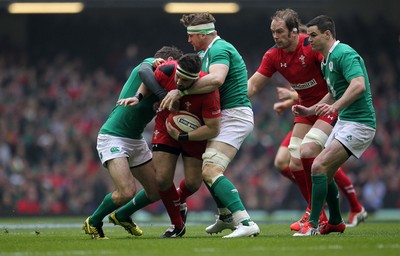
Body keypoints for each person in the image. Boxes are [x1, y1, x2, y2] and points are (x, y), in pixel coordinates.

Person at [247, 8, 367, 232]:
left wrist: (301, 99)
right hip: (306, 110)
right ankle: (320, 214)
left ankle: (320, 214)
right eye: (273, 32)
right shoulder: (273, 56)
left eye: (280, 31)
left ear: (294, 32)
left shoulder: (312, 47)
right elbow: (253, 85)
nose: (275, 36)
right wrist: (232, 100)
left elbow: (336, 76)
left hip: (327, 107)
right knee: (293, 162)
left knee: (310, 154)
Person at [160, 12, 260, 238]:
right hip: (226, 115)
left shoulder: (219, 49)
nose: (188, 41)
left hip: (234, 115)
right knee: (208, 170)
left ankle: (245, 222)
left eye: (191, 36)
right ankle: (225, 217)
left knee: (211, 169)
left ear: (203, 34)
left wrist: (181, 91)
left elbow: (216, 80)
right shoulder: (207, 52)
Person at [82, 46, 183, 240]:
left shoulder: (166, 84)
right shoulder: (149, 63)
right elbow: (143, 71)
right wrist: (162, 96)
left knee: (155, 192)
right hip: (113, 136)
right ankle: (93, 222)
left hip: (135, 140)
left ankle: (121, 215)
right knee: (126, 191)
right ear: (168, 60)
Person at [117, 53, 221, 238]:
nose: (178, 81)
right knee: (162, 179)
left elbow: (213, 129)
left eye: (184, 80)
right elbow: (148, 78)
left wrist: (184, 136)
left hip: (193, 135)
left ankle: (178, 200)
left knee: (193, 184)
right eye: (178, 77)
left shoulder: (209, 92)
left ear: (195, 80)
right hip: (165, 128)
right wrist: (139, 96)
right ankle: (177, 225)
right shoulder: (168, 69)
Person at [292, 14, 376, 236]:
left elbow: (358, 85)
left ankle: (312, 224)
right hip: (346, 122)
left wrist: (336, 107)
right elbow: (332, 91)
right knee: (323, 171)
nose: (309, 41)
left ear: (327, 34)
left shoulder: (344, 53)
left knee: (318, 166)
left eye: (313, 35)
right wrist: (310, 110)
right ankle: (336, 222)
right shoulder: (326, 59)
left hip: (360, 123)